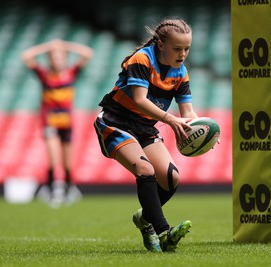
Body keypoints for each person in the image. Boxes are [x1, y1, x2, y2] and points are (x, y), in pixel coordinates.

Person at [94, 18, 198, 253]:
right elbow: (140, 101)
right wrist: (170, 120)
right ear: (161, 44)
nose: (183, 54)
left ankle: (145, 218)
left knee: (171, 179)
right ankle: (162, 231)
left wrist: (205, 131)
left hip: (145, 128)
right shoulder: (142, 59)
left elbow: (188, 112)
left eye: (187, 49)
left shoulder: (181, 72)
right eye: (177, 48)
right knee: (145, 170)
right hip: (115, 122)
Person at [22, 39, 93, 207]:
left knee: (67, 162)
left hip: (67, 123)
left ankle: (69, 188)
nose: (57, 60)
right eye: (54, 57)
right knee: (54, 159)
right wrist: (47, 46)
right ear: (49, 59)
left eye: (60, 57)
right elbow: (26, 56)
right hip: (50, 123)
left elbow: (88, 53)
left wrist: (65, 45)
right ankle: (53, 191)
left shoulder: (71, 73)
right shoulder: (44, 75)